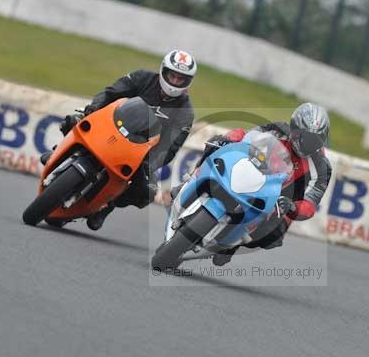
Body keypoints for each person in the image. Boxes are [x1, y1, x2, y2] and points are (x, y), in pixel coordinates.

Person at [43, 49, 197, 230]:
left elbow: (171, 147)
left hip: (140, 150)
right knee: (71, 121)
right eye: (172, 76)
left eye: (181, 79)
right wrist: (94, 107)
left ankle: (108, 206)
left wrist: (150, 162)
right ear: (163, 71)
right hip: (111, 126)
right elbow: (110, 93)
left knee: (146, 192)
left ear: (188, 82)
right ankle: (58, 153)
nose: (175, 81)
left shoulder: (185, 112)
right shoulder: (142, 77)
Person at [176, 103, 333, 266]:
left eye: (316, 141)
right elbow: (245, 136)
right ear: (295, 130)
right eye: (307, 138)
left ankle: (232, 245)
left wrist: (293, 207)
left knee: (273, 236)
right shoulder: (277, 130)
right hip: (256, 170)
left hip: (284, 198)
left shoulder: (322, 167)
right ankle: (190, 181)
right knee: (216, 143)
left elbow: (310, 204)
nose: (310, 145)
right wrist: (230, 139)